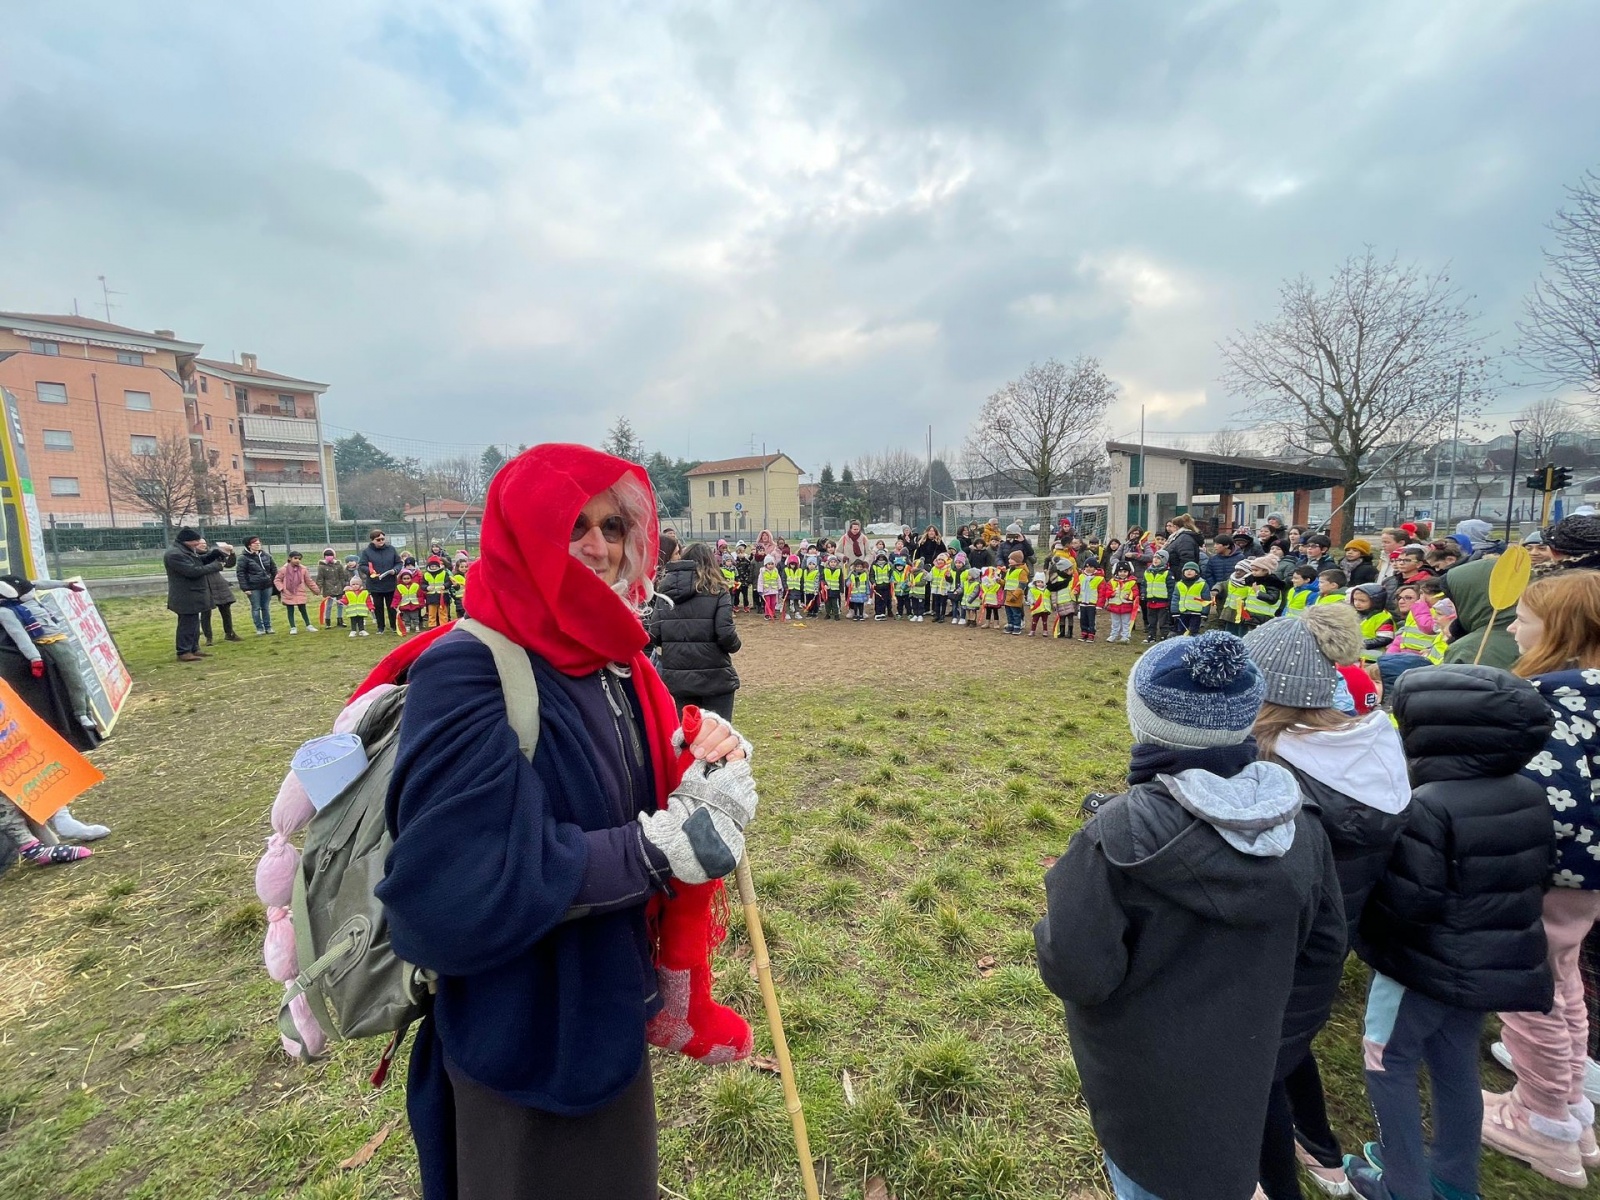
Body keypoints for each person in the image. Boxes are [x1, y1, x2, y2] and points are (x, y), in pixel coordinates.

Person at [372, 444, 758, 1200]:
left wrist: (704, 750)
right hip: (526, 1038)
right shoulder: (467, 668)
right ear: (520, 533)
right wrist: (661, 848)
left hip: (607, 1007)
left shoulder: (614, 656)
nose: (599, 545)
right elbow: (460, 883)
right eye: (572, 524)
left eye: (614, 527)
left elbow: (624, 776)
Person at [1035, 632, 1343, 1200]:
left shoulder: (1113, 837)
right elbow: (1323, 952)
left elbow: (1075, 971)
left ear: (1142, 721)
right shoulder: (1308, 825)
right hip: (1252, 1067)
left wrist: (1055, 907)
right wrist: (1276, 1049)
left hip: (1144, 1093)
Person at [1350, 665, 1557, 1200]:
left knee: (1386, 1060)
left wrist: (1362, 934)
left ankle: (1402, 1182)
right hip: (1487, 962)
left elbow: (1406, 900)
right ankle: (1452, 1175)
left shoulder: (1429, 804)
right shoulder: (1529, 793)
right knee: (1454, 1061)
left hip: (1420, 963)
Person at [1243, 614, 1412, 1199]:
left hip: (1275, 943)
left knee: (1254, 1065)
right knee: (1290, 1043)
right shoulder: (1367, 742)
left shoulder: (1281, 771)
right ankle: (1319, 1148)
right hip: (1329, 940)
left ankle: (1264, 1178)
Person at [1482, 570, 1600, 1188]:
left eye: (1522, 619)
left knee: (1530, 992)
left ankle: (1542, 1120)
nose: (1509, 627)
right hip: (1586, 878)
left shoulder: (1559, 705)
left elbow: (1544, 803)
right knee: (1562, 980)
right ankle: (1572, 1107)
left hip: (1549, 872)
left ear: (1559, 631)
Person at [648, 542, 741, 721]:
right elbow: (726, 634)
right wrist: (736, 644)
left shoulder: (665, 593)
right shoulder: (718, 591)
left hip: (678, 679)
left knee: (685, 738)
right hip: (715, 678)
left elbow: (654, 633)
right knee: (717, 738)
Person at [164, 527, 232, 662]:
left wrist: (213, 554)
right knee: (187, 624)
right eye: (195, 541)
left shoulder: (185, 551)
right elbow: (192, 571)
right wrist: (216, 566)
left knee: (194, 623)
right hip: (185, 595)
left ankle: (194, 648)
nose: (198, 543)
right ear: (186, 541)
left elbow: (198, 561)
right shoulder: (175, 555)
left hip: (193, 594)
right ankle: (183, 651)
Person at [357, 529, 403, 634]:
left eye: (383, 539)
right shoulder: (367, 552)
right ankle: (380, 627)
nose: (381, 541)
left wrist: (395, 570)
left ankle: (393, 626)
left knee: (391, 606)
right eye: (378, 539)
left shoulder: (391, 549)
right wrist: (371, 572)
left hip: (390, 583)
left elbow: (399, 562)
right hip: (375, 584)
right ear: (373, 540)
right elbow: (362, 565)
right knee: (378, 607)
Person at [197, 539, 241, 645]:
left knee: (226, 611)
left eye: (204, 543)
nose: (204, 545)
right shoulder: (193, 557)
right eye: (200, 544)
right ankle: (209, 638)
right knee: (206, 613)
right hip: (205, 586)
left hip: (219, 584)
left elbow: (229, 564)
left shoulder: (214, 554)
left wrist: (231, 552)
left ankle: (229, 633)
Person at [236, 535, 277, 635]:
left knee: (266, 607)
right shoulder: (243, 558)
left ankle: (268, 627)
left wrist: (274, 582)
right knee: (256, 608)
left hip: (267, 585)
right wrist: (245, 588)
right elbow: (241, 574)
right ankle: (259, 628)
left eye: (259, 543)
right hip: (253, 587)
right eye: (255, 543)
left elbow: (274, 569)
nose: (258, 544)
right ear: (249, 545)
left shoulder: (266, 555)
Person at [274, 550, 320, 633]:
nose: (297, 560)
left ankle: (308, 625)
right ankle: (293, 627)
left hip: (300, 592)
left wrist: (316, 590)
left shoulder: (303, 569)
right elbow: (277, 580)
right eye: (295, 558)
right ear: (290, 558)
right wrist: (282, 588)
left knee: (303, 609)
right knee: (290, 610)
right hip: (288, 592)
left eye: (299, 559)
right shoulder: (283, 569)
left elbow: (308, 581)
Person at [1101, 562, 1140, 644]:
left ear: (1129, 572)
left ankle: (1125, 636)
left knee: (1126, 622)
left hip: (1126, 606)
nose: (1123, 573)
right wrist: (1111, 594)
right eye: (1120, 572)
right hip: (1114, 606)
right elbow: (1107, 591)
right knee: (1115, 622)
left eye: (1125, 572)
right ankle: (1113, 635)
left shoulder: (1132, 582)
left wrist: (1130, 596)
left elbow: (1135, 592)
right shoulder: (1112, 581)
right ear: (1117, 572)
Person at [1172, 562, 1209, 637]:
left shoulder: (1202, 584)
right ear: (1183, 572)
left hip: (1196, 613)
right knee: (1181, 630)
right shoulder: (1179, 584)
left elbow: (1206, 599)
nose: (1189, 571)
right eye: (1186, 570)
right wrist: (1174, 611)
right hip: (1182, 612)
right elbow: (1175, 598)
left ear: (1196, 573)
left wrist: (1205, 613)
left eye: (1192, 570)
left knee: (1193, 631)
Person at [316, 549, 348, 629]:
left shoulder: (339, 565)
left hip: (339, 588)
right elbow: (320, 578)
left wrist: (344, 586)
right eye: (327, 555)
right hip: (328, 589)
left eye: (331, 555)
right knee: (329, 605)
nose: (329, 557)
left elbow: (342, 577)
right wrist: (318, 588)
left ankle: (340, 620)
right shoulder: (321, 567)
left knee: (340, 604)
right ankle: (328, 621)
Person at [343, 573, 373, 637]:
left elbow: (368, 601)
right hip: (352, 611)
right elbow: (345, 600)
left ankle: (361, 630)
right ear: (350, 585)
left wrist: (371, 607)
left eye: (357, 584)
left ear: (360, 585)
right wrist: (341, 601)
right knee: (353, 621)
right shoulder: (348, 593)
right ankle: (353, 631)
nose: (355, 586)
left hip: (361, 611)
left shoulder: (364, 592)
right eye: (353, 584)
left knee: (361, 621)